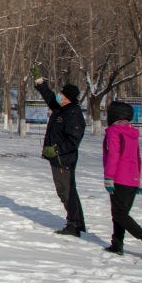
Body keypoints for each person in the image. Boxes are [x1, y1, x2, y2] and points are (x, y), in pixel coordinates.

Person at [103, 100, 142, 262]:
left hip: (119, 178)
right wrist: (138, 180)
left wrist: (109, 177)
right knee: (119, 213)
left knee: (120, 214)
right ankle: (117, 244)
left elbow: (113, 155)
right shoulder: (131, 132)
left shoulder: (114, 131)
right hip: (132, 179)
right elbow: (137, 158)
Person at [33, 68, 86, 236]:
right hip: (58, 159)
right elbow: (49, 97)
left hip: (64, 159)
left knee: (66, 191)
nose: (59, 96)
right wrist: (41, 83)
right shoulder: (61, 108)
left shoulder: (73, 114)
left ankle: (74, 224)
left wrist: (56, 149)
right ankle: (78, 222)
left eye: (62, 95)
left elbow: (73, 140)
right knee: (67, 190)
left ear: (68, 99)